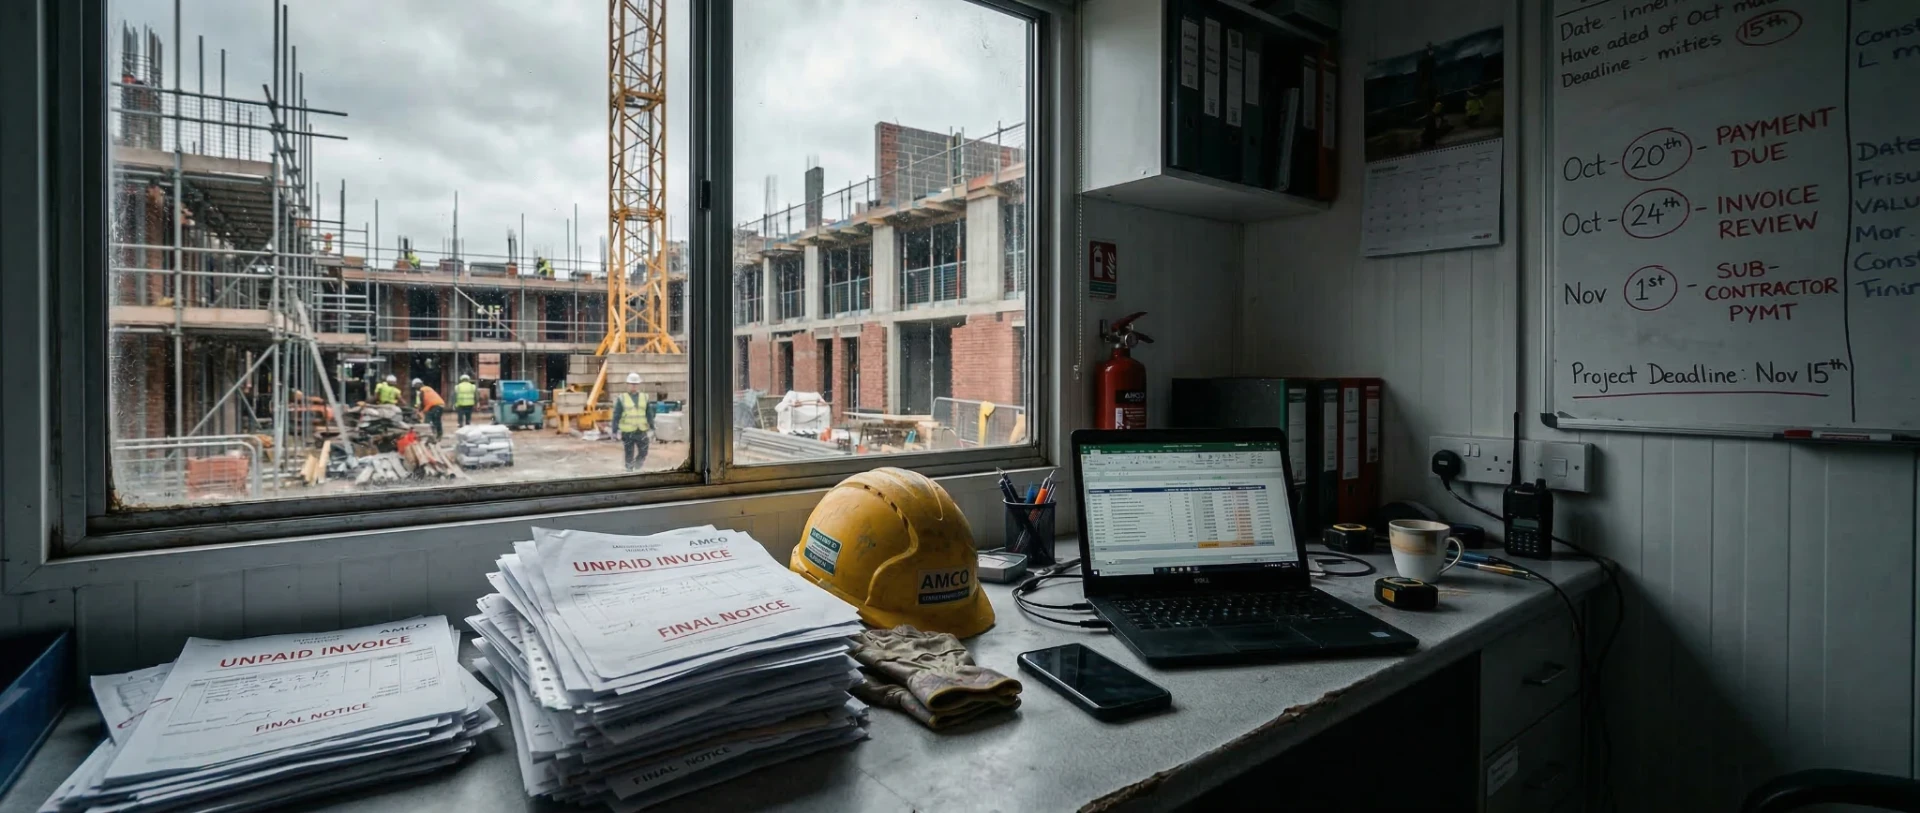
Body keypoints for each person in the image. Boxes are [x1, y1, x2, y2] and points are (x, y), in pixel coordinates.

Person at [613, 372, 651, 472]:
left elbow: (649, 413)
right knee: (629, 453)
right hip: (628, 431)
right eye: (631, 384)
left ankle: (637, 465)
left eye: (635, 384)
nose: (633, 386)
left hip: (641, 430)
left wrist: (653, 427)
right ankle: (629, 471)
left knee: (644, 451)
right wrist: (614, 430)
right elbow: (617, 414)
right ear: (628, 385)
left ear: (638, 385)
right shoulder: (622, 398)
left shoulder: (644, 397)